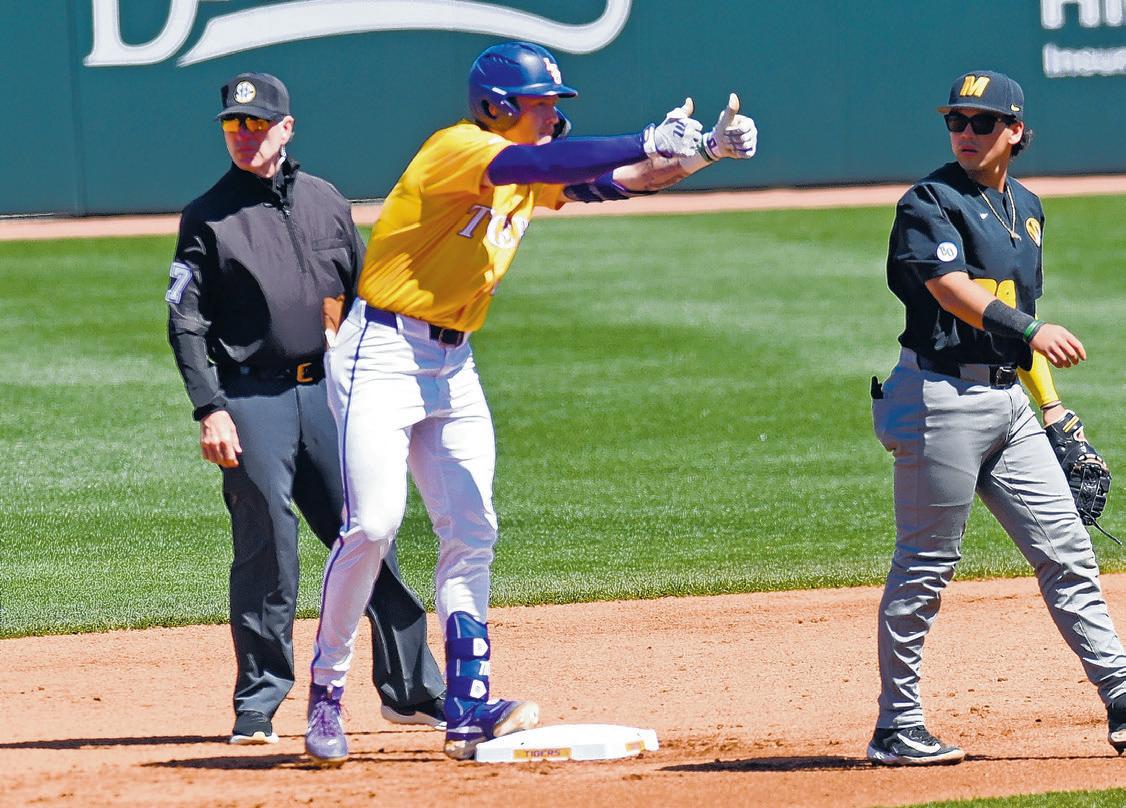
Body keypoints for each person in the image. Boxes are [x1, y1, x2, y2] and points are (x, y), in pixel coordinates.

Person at [301, 40, 758, 765]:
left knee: (472, 528)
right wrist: (647, 134)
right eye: (541, 103)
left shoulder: (525, 166)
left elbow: (617, 181)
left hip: (453, 363)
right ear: (497, 107)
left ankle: (467, 707)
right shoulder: (460, 149)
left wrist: (703, 152)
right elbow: (542, 165)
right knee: (374, 524)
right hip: (381, 353)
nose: (552, 114)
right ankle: (326, 691)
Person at [166, 71, 446, 746]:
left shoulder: (325, 201)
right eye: (233, 124)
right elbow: (185, 321)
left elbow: (366, 297)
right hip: (251, 396)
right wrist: (210, 408)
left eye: (257, 123)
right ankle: (259, 702)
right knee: (267, 541)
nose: (243, 134)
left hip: (333, 392)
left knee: (369, 530)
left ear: (286, 128)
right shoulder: (207, 216)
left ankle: (411, 689)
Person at [867, 69, 1126, 765]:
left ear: (1014, 131)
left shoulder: (1028, 207)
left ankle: (1123, 694)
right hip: (939, 399)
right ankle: (897, 726)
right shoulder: (930, 201)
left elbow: (1017, 322)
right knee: (926, 565)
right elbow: (950, 289)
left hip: (1011, 405)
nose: (965, 132)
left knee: (1067, 551)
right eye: (956, 120)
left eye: (981, 122)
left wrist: (1054, 410)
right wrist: (1030, 330)